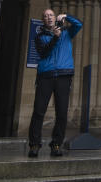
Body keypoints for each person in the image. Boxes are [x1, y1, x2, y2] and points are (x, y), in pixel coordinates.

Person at [28, 9, 82, 157]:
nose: (48, 17)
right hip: (46, 76)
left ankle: (56, 144)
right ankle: (34, 145)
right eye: (45, 16)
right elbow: (44, 53)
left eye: (51, 15)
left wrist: (67, 16)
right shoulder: (39, 37)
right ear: (43, 20)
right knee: (39, 111)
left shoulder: (66, 33)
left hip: (64, 75)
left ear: (55, 18)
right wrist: (55, 38)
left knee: (62, 113)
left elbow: (79, 24)